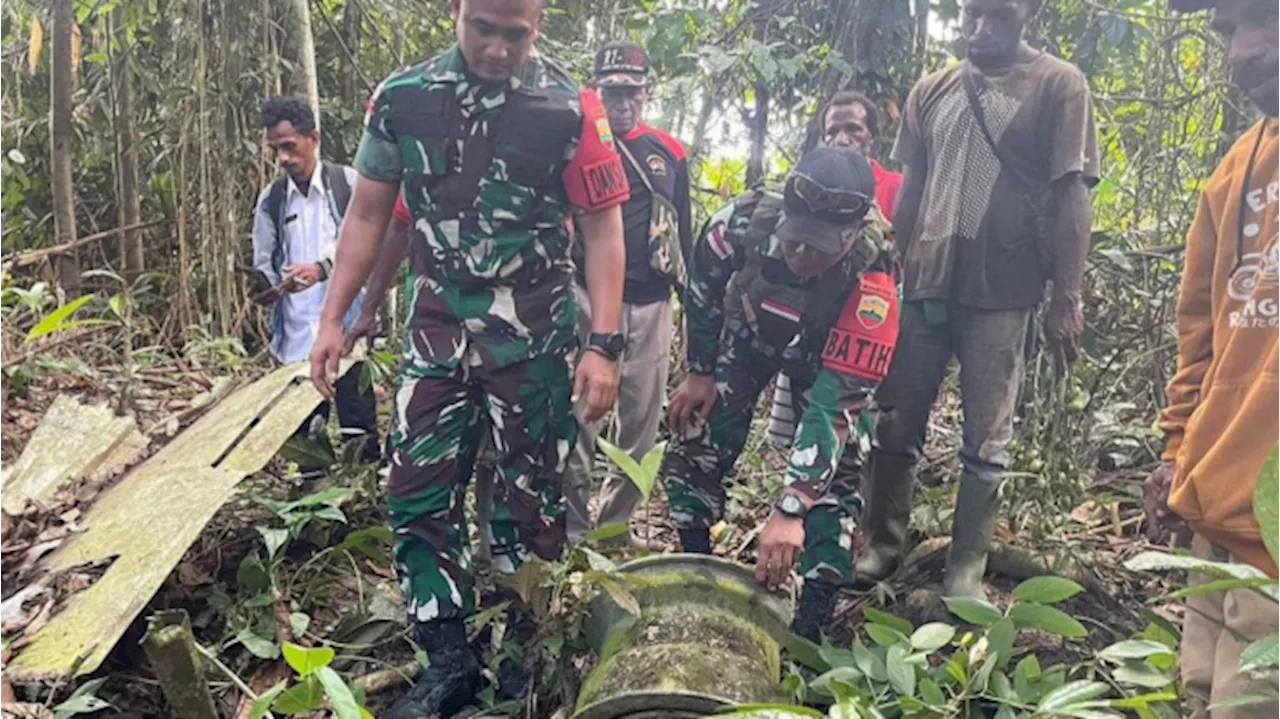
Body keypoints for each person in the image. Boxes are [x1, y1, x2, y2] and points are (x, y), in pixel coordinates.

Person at [306, 0, 630, 713]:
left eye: (514, 34)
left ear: (538, 24)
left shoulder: (569, 108)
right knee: (416, 491)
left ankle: (522, 655)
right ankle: (448, 656)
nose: (496, 48)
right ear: (457, 12)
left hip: (534, 338)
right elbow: (368, 213)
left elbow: (603, 229)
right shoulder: (402, 98)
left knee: (532, 501)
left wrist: (604, 346)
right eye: (482, 27)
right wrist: (336, 318)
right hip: (436, 332)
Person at [856, 0, 1099, 598]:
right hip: (925, 284)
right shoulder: (933, 88)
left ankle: (966, 566)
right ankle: (883, 544)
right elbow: (911, 187)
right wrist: (894, 263)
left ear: (1030, 14)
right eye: (971, 15)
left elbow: (1072, 195)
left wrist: (1068, 294)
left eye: (998, 17)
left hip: (1004, 288)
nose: (981, 29)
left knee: (987, 436)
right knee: (895, 421)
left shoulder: (1058, 85)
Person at [662, 146, 898, 643]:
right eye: (796, 240)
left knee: (837, 481)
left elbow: (833, 407)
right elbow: (702, 288)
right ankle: (694, 571)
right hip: (748, 336)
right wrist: (700, 371)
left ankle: (810, 629)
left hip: (826, 357)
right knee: (695, 435)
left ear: (852, 235)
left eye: (820, 247)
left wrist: (792, 507)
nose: (803, 254)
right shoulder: (742, 222)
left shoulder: (874, 278)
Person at [1144, 1, 1280, 716]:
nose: (1241, 51)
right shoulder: (1235, 168)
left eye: (1265, 19)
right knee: (1198, 694)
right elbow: (1198, 329)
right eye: (1227, 29)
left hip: (1275, 527)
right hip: (1216, 507)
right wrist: (1177, 450)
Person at [563, 41, 694, 545]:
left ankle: (614, 531)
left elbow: (682, 231)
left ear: (647, 93)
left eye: (632, 94)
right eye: (612, 94)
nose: (622, 105)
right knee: (582, 417)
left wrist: (687, 302)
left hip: (653, 301)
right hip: (591, 302)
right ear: (598, 92)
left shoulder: (668, 152)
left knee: (639, 424)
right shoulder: (580, 140)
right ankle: (573, 531)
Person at [768, 90, 903, 453]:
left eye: (853, 130)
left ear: (870, 136)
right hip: (814, 319)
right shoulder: (808, 183)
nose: (843, 138)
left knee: (857, 423)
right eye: (833, 130)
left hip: (868, 320)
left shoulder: (893, 188)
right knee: (806, 422)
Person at [249, 97, 379, 465]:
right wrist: (268, 287)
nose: (283, 158)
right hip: (295, 345)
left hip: (347, 338)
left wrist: (322, 269)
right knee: (306, 447)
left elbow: (371, 244)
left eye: (290, 146)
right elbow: (263, 261)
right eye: (275, 149)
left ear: (313, 139)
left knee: (360, 436)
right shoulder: (271, 201)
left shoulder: (347, 184)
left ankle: (364, 511)